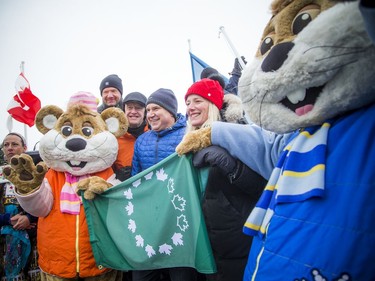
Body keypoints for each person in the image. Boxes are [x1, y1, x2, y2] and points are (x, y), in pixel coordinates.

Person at [183, 78, 266, 281]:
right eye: (187, 103)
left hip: (237, 237)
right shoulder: (186, 143)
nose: (190, 108)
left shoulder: (239, 131)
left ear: (212, 104)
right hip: (206, 240)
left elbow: (263, 188)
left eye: (197, 101)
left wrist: (231, 166)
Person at [131, 88, 197, 281]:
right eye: (148, 109)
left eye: (156, 108)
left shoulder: (189, 134)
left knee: (181, 276)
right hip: (150, 222)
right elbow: (136, 179)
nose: (150, 114)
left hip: (180, 219)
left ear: (170, 111)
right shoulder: (142, 140)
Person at [1, 132, 40, 280]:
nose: (10, 148)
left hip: (35, 237)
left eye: (14, 144)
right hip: (5, 241)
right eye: (6, 145)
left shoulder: (36, 173)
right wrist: (7, 219)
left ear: (24, 148)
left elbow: (48, 202)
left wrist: (29, 218)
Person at [113, 92, 149, 181]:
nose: (133, 111)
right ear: (124, 110)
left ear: (145, 112)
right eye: (129, 107)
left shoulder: (153, 135)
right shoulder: (115, 138)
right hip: (122, 190)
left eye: (138, 108)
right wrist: (116, 176)